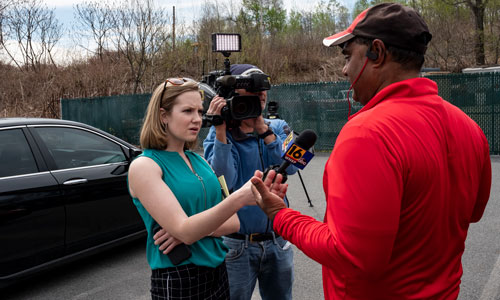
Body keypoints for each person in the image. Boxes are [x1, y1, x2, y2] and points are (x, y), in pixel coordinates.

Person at [250, 3, 492, 299]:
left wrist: (280, 215)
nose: (344, 69)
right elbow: (473, 212)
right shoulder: (470, 127)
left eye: (348, 55)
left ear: (376, 52)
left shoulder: (367, 133)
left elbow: (352, 256)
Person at [128, 78, 257, 299]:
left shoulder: (200, 162)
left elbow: (233, 222)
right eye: (187, 111)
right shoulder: (145, 166)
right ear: (163, 115)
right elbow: (186, 229)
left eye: (199, 111)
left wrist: (191, 231)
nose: (197, 119)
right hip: (179, 276)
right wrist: (239, 198)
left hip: (218, 270)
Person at [203, 64, 297, 300]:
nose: (260, 99)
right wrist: (221, 132)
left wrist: (264, 131)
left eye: (262, 95)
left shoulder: (279, 127)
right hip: (238, 246)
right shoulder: (220, 132)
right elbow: (224, 181)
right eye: (252, 96)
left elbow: (292, 167)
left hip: (278, 240)